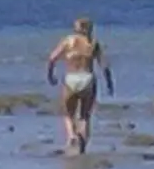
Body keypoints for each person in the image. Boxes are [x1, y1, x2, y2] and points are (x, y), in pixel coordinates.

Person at [47, 17, 114, 154]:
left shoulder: (68, 41)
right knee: (85, 115)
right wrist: (109, 84)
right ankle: (82, 139)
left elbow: (52, 58)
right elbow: (104, 66)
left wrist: (50, 75)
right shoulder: (93, 43)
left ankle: (71, 135)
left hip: (71, 78)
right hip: (87, 78)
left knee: (67, 113)